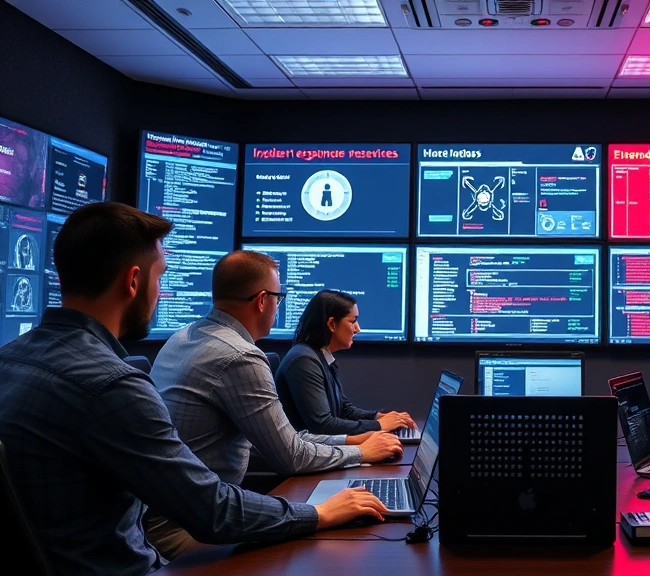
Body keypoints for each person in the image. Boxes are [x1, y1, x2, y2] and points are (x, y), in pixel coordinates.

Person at [0, 203, 388, 575]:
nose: (160, 293)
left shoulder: (10, 358)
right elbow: (211, 511)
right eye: (160, 277)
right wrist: (318, 513)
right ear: (134, 281)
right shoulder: (113, 385)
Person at [149, 251, 403, 559]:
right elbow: (291, 455)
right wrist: (358, 455)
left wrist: (358, 446)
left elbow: (286, 439)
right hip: (187, 528)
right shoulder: (239, 356)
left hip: (172, 514)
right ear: (261, 300)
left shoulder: (182, 336)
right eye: (278, 298)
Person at [276, 290, 415, 435]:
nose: (358, 329)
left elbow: (343, 409)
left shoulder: (319, 356)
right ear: (332, 324)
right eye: (353, 321)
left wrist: (376, 417)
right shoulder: (303, 361)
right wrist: (378, 425)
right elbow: (323, 426)